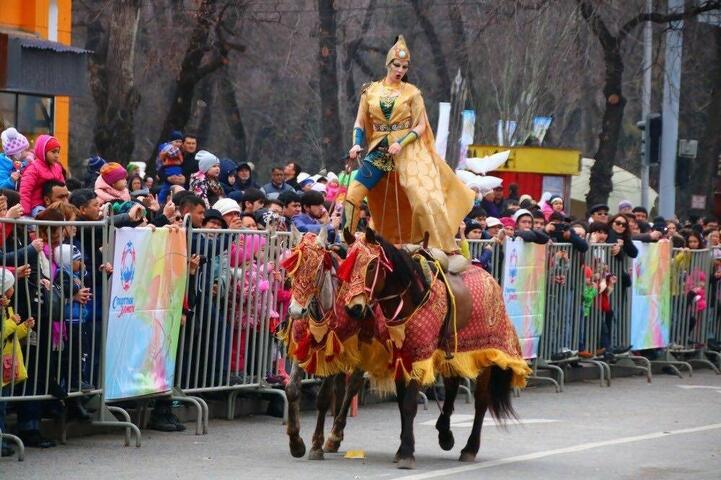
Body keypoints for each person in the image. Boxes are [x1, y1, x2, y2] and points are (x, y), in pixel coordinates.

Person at [344, 35, 474, 252]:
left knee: (422, 199)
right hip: (379, 151)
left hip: (408, 151)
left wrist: (401, 143)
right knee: (352, 195)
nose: (400, 70)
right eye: (397, 65)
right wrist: (357, 143)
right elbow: (359, 122)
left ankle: (436, 246)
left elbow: (420, 126)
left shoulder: (412, 93)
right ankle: (347, 244)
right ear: (388, 64)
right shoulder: (370, 91)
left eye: (405, 66)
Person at [0, 268, 36, 458]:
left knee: (3, 406)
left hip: (7, 362)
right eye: (11, 286)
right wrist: (13, 323)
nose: (13, 290)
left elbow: (11, 335)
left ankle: (3, 439)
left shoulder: (8, 308)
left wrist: (23, 327)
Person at [19, 134, 65, 216]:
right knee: (47, 217)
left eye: (58, 152)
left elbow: (63, 187)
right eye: (53, 152)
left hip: (55, 205)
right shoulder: (33, 168)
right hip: (37, 206)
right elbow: (25, 192)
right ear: (43, 151)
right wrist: (25, 213)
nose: (57, 155)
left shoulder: (57, 168)